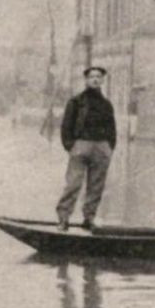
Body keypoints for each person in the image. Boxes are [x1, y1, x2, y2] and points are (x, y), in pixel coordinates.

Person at [56, 66, 117, 231]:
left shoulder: (106, 104)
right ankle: (63, 218)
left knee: (96, 185)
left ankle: (89, 218)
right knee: (73, 183)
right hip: (81, 145)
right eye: (92, 77)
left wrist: (109, 147)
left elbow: (112, 128)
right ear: (86, 80)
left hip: (101, 147)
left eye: (98, 77)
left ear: (102, 80)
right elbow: (66, 126)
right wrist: (70, 146)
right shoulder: (76, 102)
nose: (95, 80)